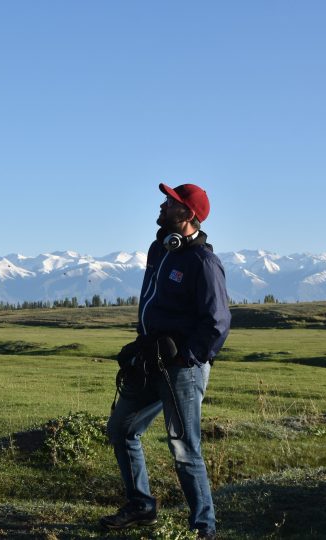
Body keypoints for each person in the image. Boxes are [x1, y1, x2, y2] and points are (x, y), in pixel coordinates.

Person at [101, 183, 231, 539]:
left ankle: (204, 527)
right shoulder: (159, 250)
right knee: (122, 429)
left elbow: (217, 322)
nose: (162, 205)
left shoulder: (204, 262)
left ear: (187, 214)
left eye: (170, 202)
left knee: (184, 449)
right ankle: (141, 505)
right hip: (149, 360)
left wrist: (188, 358)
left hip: (182, 370)